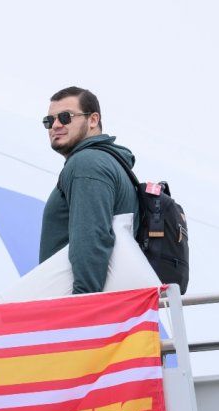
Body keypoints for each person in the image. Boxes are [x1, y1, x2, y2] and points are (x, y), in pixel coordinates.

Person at [38, 86, 139, 294]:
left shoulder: (87, 163)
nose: (55, 125)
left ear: (93, 120)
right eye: (49, 121)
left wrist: (82, 307)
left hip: (80, 309)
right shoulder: (107, 162)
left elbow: (91, 241)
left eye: (66, 117)